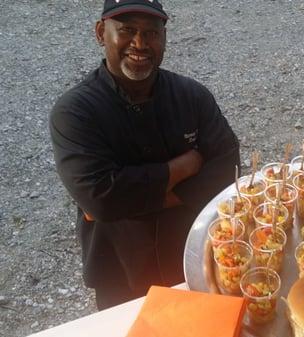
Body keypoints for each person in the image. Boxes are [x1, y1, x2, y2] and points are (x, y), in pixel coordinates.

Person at [49, 0, 240, 310]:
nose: (140, 43)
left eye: (151, 33)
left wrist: (127, 200)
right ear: (101, 32)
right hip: (120, 270)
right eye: (127, 30)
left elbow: (227, 172)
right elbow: (99, 197)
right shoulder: (75, 112)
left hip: (190, 254)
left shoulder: (192, 96)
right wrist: (183, 166)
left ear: (164, 38)